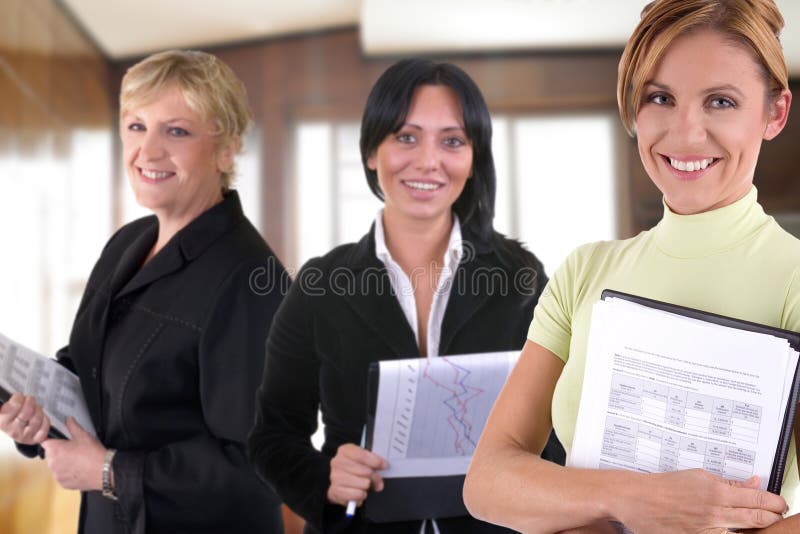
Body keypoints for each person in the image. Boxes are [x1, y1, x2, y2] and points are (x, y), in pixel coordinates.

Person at [463, 0, 800, 532]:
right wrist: (636, 497)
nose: (686, 133)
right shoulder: (584, 273)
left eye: (720, 101)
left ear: (774, 114)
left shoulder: (794, 280)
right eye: (660, 98)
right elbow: (488, 480)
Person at [248, 58, 565, 533]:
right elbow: (272, 435)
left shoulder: (521, 279)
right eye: (406, 137)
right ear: (371, 152)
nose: (428, 161)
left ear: (473, 158)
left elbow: (555, 430)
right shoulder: (320, 285)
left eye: (452, 141)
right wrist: (325, 479)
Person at [0, 50, 287, 534]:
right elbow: (94, 366)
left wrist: (107, 471)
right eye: (136, 126)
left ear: (227, 150)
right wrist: (36, 417)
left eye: (176, 131)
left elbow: (259, 466)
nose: (148, 152)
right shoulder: (128, 243)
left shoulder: (252, 279)